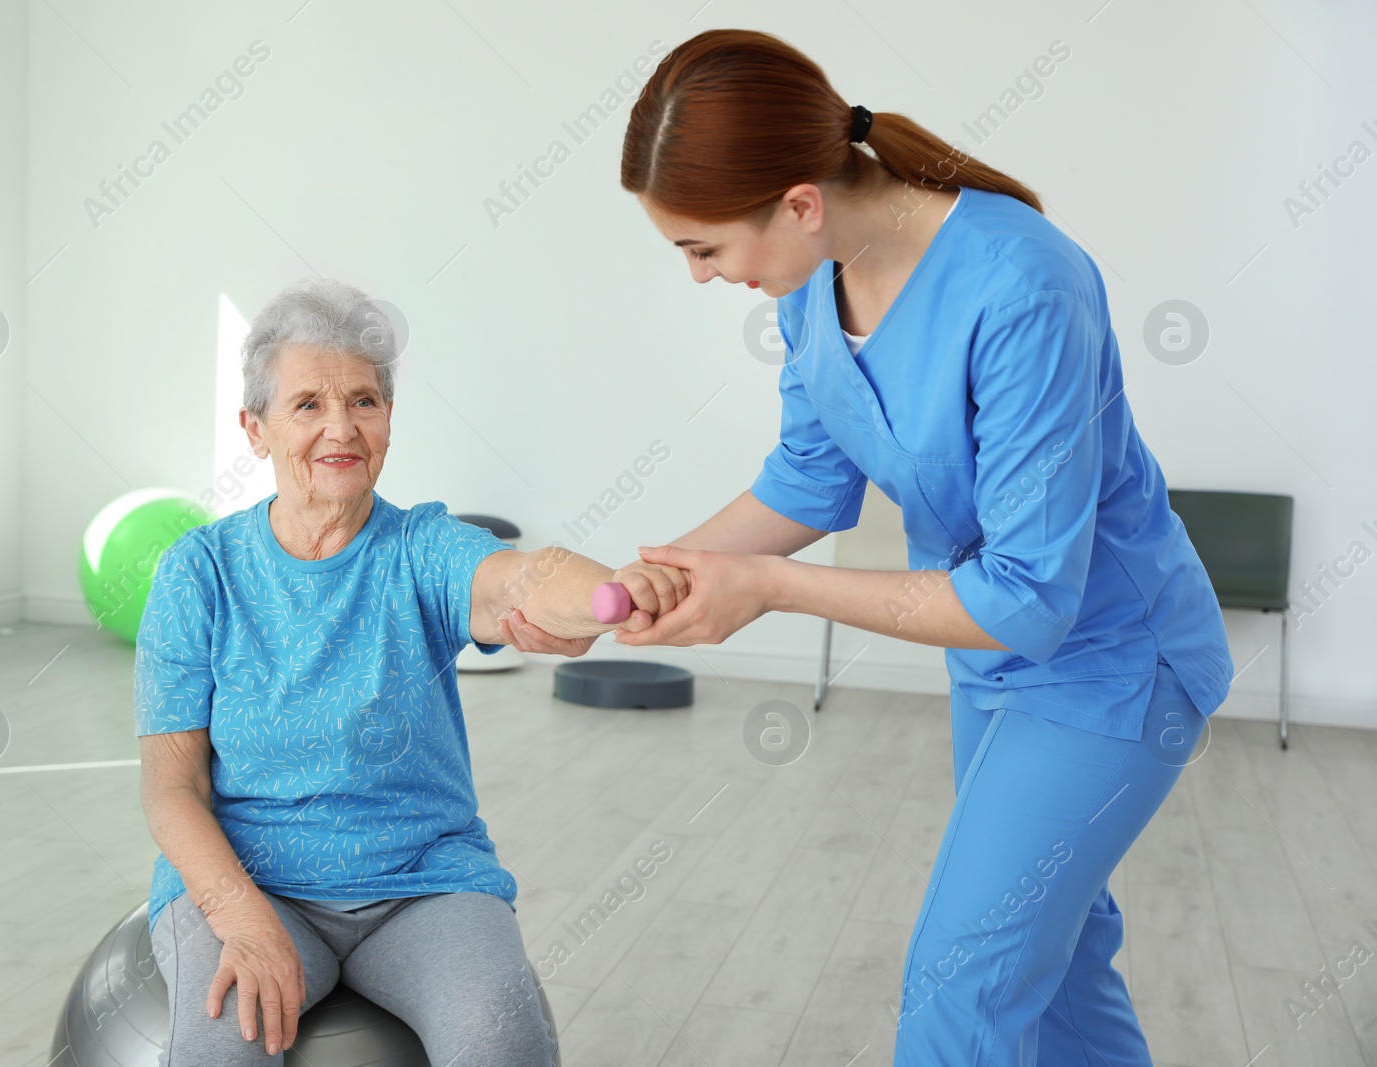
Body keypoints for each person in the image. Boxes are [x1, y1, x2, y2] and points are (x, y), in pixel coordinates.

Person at [499, 28, 1234, 1067]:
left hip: (1113, 668)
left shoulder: (1024, 285)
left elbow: (1028, 597)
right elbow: (808, 478)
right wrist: (643, 581)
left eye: (703, 249)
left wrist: (769, 588)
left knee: (959, 987)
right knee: (1057, 971)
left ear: (799, 201)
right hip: (990, 661)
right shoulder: (814, 283)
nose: (701, 278)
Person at [134, 277, 668, 1066]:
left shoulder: (422, 547)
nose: (340, 427)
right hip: (255, 878)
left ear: (389, 419)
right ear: (255, 429)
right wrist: (243, 918)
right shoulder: (199, 573)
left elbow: (515, 578)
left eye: (364, 400)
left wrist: (611, 596)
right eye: (308, 404)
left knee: (501, 1037)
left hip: (423, 882)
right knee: (223, 1042)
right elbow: (170, 787)